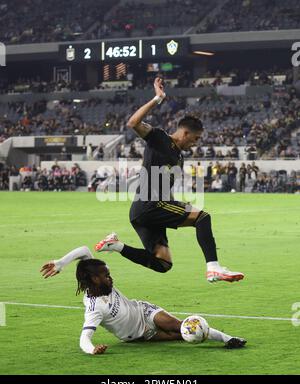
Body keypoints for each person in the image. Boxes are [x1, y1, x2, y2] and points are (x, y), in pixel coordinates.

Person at [95, 77, 244, 283]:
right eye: (196, 138)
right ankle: (213, 268)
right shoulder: (159, 137)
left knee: (163, 264)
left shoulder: (179, 157)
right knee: (202, 217)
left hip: (146, 210)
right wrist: (157, 98)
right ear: (184, 133)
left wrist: (177, 204)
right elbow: (132, 123)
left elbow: (168, 185)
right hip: (150, 206)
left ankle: (115, 245)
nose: (196, 143)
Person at [40, 246, 247, 355]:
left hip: (144, 311)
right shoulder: (95, 308)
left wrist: (61, 262)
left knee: (183, 327)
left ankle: (229, 339)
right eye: (106, 275)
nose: (110, 277)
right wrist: (92, 349)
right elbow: (84, 339)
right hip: (139, 334)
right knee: (178, 337)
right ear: (94, 279)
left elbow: (84, 250)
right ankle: (219, 339)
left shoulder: (98, 279)